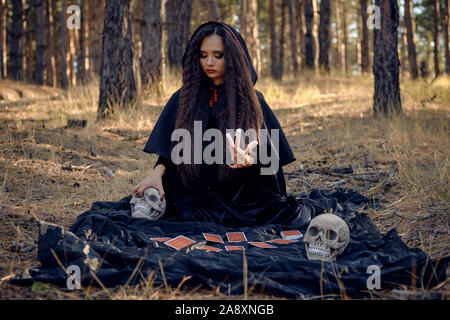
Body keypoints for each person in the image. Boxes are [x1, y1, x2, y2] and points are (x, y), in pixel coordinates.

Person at [131, 21, 311, 227]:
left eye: (218, 55)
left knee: (283, 217)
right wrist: (156, 173)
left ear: (232, 58)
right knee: (183, 214)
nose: (209, 62)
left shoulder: (252, 100)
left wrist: (251, 159)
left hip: (242, 199)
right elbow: (173, 151)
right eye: (203, 55)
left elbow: (269, 165)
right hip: (193, 196)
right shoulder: (183, 98)